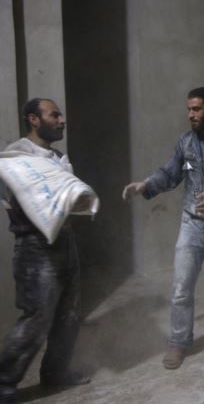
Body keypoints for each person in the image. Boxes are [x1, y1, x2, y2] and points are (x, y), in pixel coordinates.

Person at [122, 87, 204, 370]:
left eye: (196, 109)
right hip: (191, 225)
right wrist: (146, 185)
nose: (190, 114)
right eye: (189, 109)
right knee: (181, 288)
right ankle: (179, 342)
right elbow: (169, 173)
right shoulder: (185, 143)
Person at [0, 99, 91, 404]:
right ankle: (4, 382)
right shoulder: (16, 156)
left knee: (69, 313)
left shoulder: (58, 157)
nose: (62, 120)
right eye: (54, 115)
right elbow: (15, 200)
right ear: (34, 119)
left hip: (65, 243)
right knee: (37, 318)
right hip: (34, 248)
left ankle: (55, 372)